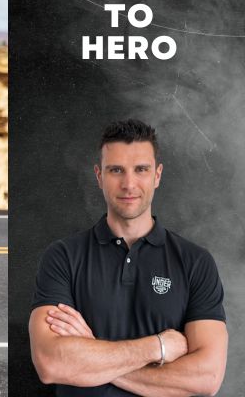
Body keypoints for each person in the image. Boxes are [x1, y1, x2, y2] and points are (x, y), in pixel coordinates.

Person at [29, 119, 228, 396]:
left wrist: (92, 353)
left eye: (141, 170)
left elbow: (207, 378)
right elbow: (51, 364)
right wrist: (158, 347)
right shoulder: (63, 256)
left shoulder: (195, 262)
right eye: (116, 170)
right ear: (99, 176)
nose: (129, 183)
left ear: (157, 175)